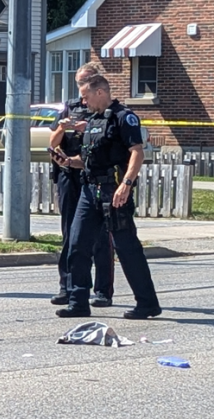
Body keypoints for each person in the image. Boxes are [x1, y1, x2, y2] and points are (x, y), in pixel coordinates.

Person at [50, 75, 162, 320]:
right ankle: (78, 301)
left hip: (114, 192)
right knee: (77, 244)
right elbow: (88, 159)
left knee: (126, 248)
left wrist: (126, 184)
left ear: (100, 92)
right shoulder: (92, 120)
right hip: (89, 190)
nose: (83, 100)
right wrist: (69, 162)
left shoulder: (124, 117)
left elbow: (137, 153)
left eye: (86, 95)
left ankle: (147, 303)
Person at [48, 62, 115, 308]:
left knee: (99, 234)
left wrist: (86, 128)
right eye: (78, 83)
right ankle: (68, 286)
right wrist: (64, 128)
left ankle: (103, 291)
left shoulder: (104, 108)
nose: (80, 88)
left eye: (85, 81)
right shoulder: (70, 106)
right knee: (70, 232)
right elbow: (53, 139)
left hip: (94, 174)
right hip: (68, 173)